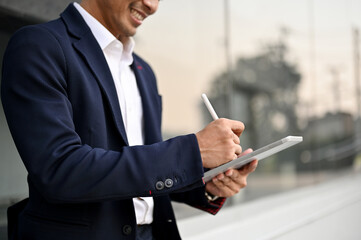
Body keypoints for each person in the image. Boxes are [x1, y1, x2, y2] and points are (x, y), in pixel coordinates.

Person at [1, 0, 258, 239]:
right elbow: (60, 170)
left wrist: (208, 183)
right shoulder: (39, 46)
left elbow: (145, 170)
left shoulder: (144, 72)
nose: (152, 5)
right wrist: (194, 150)